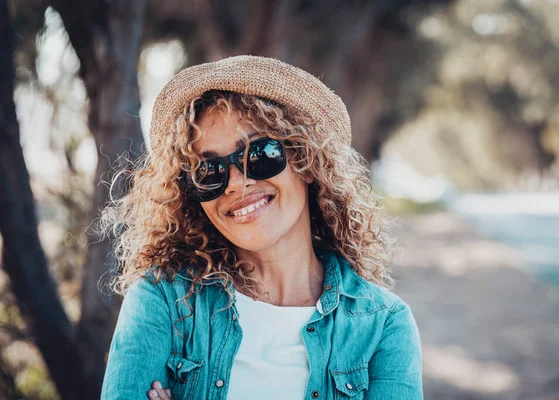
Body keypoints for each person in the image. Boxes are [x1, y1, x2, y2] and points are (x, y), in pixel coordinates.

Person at [99, 55, 423, 400]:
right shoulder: (162, 301)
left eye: (259, 154)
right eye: (208, 172)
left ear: (306, 160)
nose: (236, 184)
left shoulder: (383, 325)